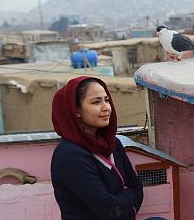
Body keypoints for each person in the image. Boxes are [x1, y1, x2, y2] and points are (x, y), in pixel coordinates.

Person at [51, 76, 143, 220]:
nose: (106, 107)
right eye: (96, 102)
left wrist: (121, 201)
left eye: (106, 100)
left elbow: (137, 187)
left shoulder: (113, 144)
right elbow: (109, 211)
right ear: (76, 111)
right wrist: (128, 195)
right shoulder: (70, 155)